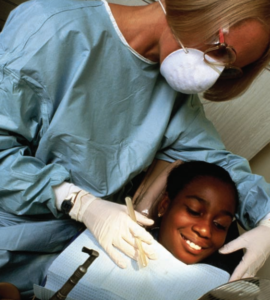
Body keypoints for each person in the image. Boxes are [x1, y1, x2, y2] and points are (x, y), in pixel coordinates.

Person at [0, 0, 270, 296]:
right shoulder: (50, 27)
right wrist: (77, 202)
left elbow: (220, 166)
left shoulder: (176, 101)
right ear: (198, 8)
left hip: (68, 260)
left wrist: (268, 223)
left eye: (228, 69)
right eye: (221, 52)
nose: (214, 74)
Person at [153, 161, 241, 269]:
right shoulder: (129, 251)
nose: (205, 231)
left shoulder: (223, 281)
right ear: (164, 205)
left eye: (220, 224)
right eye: (193, 211)